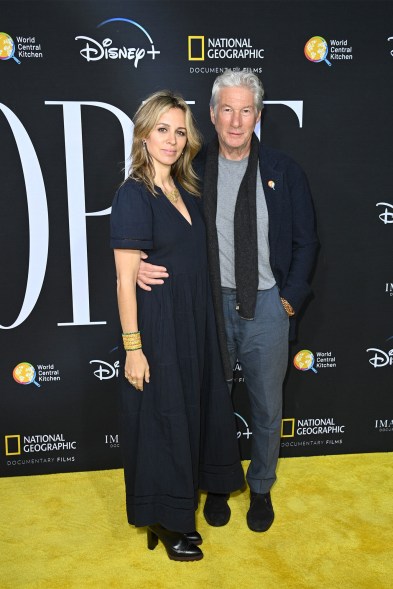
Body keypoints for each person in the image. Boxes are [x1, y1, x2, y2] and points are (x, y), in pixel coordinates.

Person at [137, 71, 319, 533]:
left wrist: (289, 301)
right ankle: (216, 486)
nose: (236, 120)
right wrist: (136, 263)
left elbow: (306, 242)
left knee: (266, 407)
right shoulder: (191, 171)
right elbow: (159, 224)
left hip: (267, 309)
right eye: (227, 109)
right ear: (213, 115)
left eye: (246, 110)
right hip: (207, 306)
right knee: (210, 402)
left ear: (257, 116)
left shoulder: (283, 171)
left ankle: (260, 489)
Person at [110, 90, 244, 561]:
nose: (170, 139)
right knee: (165, 420)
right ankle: (167, 522)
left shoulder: (187, 188)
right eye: (161, 129)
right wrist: (133, 348)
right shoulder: (133, 194)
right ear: (144, 134)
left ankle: (181, 505)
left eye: (179, 130)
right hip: (158, 325)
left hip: (194, 320)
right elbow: (126, 280)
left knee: (191, 412)